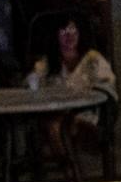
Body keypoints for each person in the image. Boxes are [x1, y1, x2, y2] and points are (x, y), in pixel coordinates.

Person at [29, 14, 115, 166]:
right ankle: (71, 170)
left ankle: (70, 169)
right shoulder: (48, 63)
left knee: (58, 127)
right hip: (57, 114)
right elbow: (33, 84)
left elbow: (108, 88)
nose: (69, 35)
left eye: (73, 30)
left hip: (87, 117)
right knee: (51, 124)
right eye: (64, 31)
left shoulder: (92, 59)